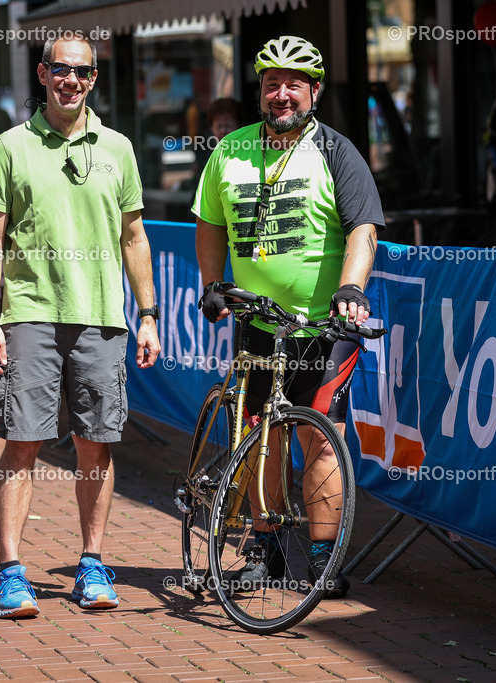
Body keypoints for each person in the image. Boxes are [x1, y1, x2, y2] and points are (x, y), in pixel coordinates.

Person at [0, 35, 161, 619]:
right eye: (61, 70)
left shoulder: (119, 149)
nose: (71, 81)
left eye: (82, 73)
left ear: (94, 79)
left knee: (96, 444)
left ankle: (92, 564)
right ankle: (10, 573)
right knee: (22, 441)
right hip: (30, 312)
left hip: (102, 316)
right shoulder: (11, 147)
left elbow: (134, 236)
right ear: (42, 73)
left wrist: (149, 313)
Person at [193, 36, 384, 598]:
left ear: (314, 92)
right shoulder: (230, 151)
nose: (281, 94)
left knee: (319, 439)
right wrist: (212, 283)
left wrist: (351, 287)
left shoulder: (337, 151)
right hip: (257, 324)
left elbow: (363, 230)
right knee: (260, 436)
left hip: (323, 325)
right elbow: (210, 223)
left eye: (293, 84)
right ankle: (265, 550)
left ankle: (322, 562)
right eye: (272, 83)